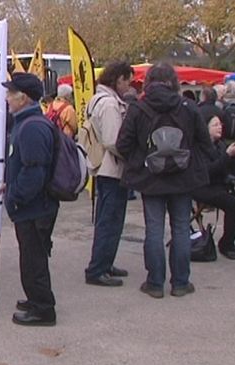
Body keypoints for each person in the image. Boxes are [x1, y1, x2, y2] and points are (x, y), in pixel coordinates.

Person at [117, 62, 213, 298]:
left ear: (148, 81)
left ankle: (155, 283)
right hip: (183, 177)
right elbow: (205, 143)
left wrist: (141, 159)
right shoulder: (188, 107)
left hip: (150, 178)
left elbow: (123, 145)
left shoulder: (139, 108)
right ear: (174, 81)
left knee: (154, 230)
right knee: (181, 229)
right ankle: (181, 282)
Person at [0, 72, 59, 327]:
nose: (7, 98)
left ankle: (43, 309)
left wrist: (15, 196)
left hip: (35, 207)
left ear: (23, 98)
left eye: (10, 93)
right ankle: (35, 299)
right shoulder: (26, 123)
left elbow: (34, 171)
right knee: (30, 255)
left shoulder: (32, 126)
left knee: (34, 258)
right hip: (32, 205)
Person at [84, 61, 134, 287]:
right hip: (112, 167)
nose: (129, 86)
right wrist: (131, 154)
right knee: (110, 220)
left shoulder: (97, 100)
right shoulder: (111, 105)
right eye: (127, 81)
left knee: (107, 219)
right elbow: (113, 141)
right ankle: (99, 268)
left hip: (102, 166)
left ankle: (104, 262)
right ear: (118, 79)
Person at [192, 109, 235, 260]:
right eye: (215, 125)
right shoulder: (199, 147)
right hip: (202, 186)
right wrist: (227, 156)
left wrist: (234, 186)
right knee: (233, 205)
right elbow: (207, 172)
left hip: (217, 185)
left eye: (220, 124)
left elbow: (225, 172)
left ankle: (228, 241)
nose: (220, 127)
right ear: (206, 128)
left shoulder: (220, 145)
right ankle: (226, 245)